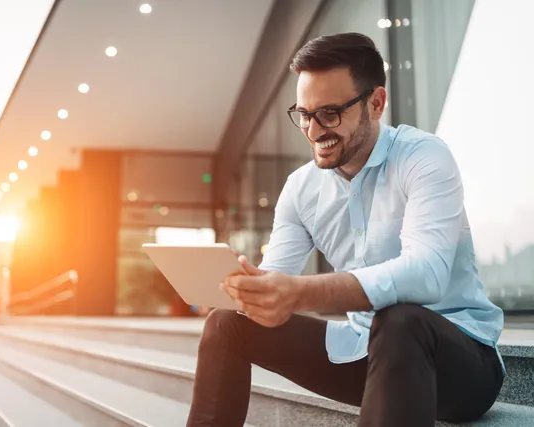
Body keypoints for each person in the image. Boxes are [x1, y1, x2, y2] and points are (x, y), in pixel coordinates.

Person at [186, 32, 505, 427]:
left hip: (461, 362)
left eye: (330, 113)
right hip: (364, 351)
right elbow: (277, 283)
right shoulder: (302, 189)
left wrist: (301, 292)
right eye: (304, 114)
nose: (315, 131)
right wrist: (247, 290)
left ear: (376, 103)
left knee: (400, 318)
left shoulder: (423, 157)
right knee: (225, 323)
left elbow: (427, 275)